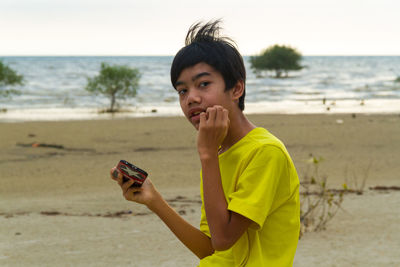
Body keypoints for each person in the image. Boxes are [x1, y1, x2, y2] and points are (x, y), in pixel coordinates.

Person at [110, 20, 300, 266]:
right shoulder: (218, 152)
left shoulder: (265, 152)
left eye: (203, 84)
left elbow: (223, 239)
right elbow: (212, 250)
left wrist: (208, 155)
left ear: (236, 88)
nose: (191, 98)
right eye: (182, 91)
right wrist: (154, 200)